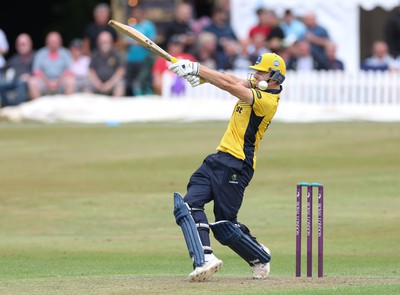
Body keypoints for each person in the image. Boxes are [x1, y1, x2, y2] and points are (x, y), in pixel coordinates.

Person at [169, 52, 286, 281]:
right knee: (188, 205)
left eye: (261, 72)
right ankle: (205, 258)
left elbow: (229, 87)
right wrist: (203, 78)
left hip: (238, 164)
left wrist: (197, 68)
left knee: (224, 226)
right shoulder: (258, 85)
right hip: (218, 158)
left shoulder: (267, 101)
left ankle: (259, 254)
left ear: (275, 77)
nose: (255, 74)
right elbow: (230, 79)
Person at [28, 31, 75, 99]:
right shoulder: (40, 53)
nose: (53, 44)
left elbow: (69, 71)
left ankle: (68, 106)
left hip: (61, 81)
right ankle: (38, 106)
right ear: (47, 42)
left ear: (60, 42)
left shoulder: (65, 53)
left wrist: (58, 82)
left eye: (55, 42)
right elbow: (36, 71)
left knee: (71, 81)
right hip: (44, 81)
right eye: (51, 42)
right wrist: (47, 82)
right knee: (32, 81)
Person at [124, 5, 157, 96]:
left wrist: (141, 43)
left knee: (143, 82)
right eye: (134, 13)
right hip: (131, 59)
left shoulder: (148, 25)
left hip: (144, 59)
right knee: (129, 82)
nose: (136, 14)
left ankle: (144, 99)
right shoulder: (131, 25)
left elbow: (153, 41)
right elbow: (125, 41)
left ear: (142, 13)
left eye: (138, 12)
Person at [0, 33, 34, 107]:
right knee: (1, 85)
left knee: (21, 83)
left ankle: (17, 106)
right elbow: (3, 69)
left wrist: (29, 75)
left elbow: (39, 70)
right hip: (14, 82)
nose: (21, 47)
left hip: (27, 82)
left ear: (30, 45)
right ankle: (7, 106)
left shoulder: (35, 57)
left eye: (23, 44)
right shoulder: (14, 59)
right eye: (19, 45)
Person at [88, 31, 126, 97]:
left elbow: (121, 71)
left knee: (120, 83)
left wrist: (109, 84)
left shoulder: (116, 54)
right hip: (97, 84)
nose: (104, 43)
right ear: (98, 42)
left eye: (106, 41)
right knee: (87, 83)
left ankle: (116, 105)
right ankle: (88, 105)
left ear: (111, 42)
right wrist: (97, 83)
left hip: (112, 83)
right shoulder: (95, 54)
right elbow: (91, 71)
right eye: (102, 41)